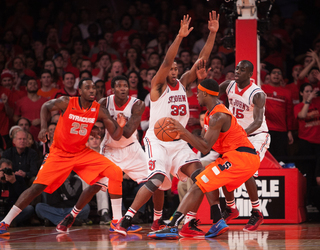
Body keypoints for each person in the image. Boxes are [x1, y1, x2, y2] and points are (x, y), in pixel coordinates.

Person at [113, 12, 219, 236]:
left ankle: (196, 221)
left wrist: (212, 34)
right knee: (158, 179)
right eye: (170, 69)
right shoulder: (157, 86)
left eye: (176, 69)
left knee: (201, 175)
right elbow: (167, 60)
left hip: (179, 140)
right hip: (158, 141)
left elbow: (202, 60)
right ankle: (126, 220)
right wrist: (180, 37)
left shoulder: (183, 83)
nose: (173, 71)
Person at [0, 78, 126, 235]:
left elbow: (115, 134)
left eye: (94, 88)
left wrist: (120, 126)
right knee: (37, 187)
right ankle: (5, 222)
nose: (92, 90)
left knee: (115, 172)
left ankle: (116, 221)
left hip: (81, 152)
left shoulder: (99, 110)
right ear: (80, 91)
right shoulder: (67, 102)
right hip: (59, 153)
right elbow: (46, 106)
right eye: (87, 88)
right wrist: (43, 128)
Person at [148, 78, 260, 239]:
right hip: (234, 157)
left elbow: (205, 148)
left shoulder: (218, 116)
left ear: (206, 94)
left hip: (242, 157)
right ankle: (215, 220)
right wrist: (182, 134)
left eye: (199, 92)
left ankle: (172, 226)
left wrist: (183, 132)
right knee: (206, 177)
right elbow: (201, 143)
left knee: (199, 182)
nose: (196, 95)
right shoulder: (209, 115)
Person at [59, 75, 146, 233]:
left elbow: (126, 134)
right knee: (95, 186)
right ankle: (71, 216)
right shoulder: (104, 103)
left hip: (132, 148)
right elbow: (89, 121)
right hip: (111, 149)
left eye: (125, 86)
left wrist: (115, 125)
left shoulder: (137, 104)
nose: (123, 89)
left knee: (156, 180)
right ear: (112, 90)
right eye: (119, 86)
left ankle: (156, 222)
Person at [219, 60, 270, 231]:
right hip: (236, 136)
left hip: (256, 136)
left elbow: (257, 121)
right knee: (224, 168)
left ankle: (257, 212)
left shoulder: (257, 94)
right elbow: (210, 94)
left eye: (242, 70)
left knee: (247, 170)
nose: (238, 71)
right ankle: (231, 207)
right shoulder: (228, 85)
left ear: (250, 74)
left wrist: (239, 135)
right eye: (237, 68)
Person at [0, 159, 34, 228]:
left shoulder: (18, 179)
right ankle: (6, 222)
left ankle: (9, 222)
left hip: (13, 210)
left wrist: (14, 183)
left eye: (9, 170)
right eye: (4, 170)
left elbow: (25, 198)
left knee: (29, 209)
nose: (6, 173)